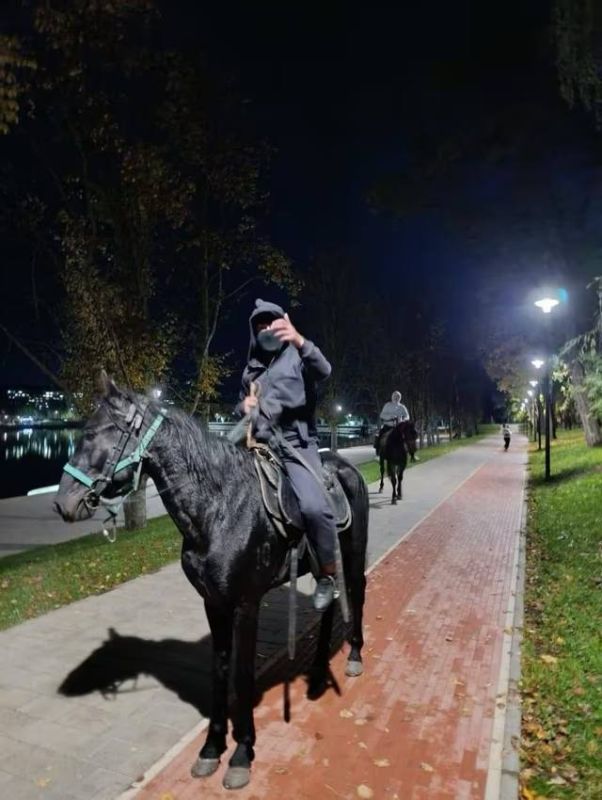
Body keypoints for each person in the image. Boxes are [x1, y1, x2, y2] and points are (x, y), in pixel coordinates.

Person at [238, 298, 338, 612]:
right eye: (260, 326)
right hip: (260, 448)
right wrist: (244, 407)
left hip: (297, 446)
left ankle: (327, 573)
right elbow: (243, 407)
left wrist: (299, 339)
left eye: (270, 323)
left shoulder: (297, 355)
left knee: (313, 506)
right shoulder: (251, 370)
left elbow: (324, 370)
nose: (265, 329)